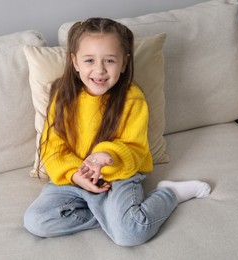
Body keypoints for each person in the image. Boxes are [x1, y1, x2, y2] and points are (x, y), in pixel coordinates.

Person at [24, 17, 211, 247]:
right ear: (75, 62)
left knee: (129, 235)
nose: (99, 70)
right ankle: (113, 216)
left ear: (124, 63)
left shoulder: (132, 99)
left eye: (110, 61)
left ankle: (169, 194)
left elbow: (135, 147)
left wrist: (104, 155)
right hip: (74, 177)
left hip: (119, 175)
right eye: (89, 60)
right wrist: (77, 176)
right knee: (36, 221)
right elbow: (53, 148)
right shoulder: (63, 97)